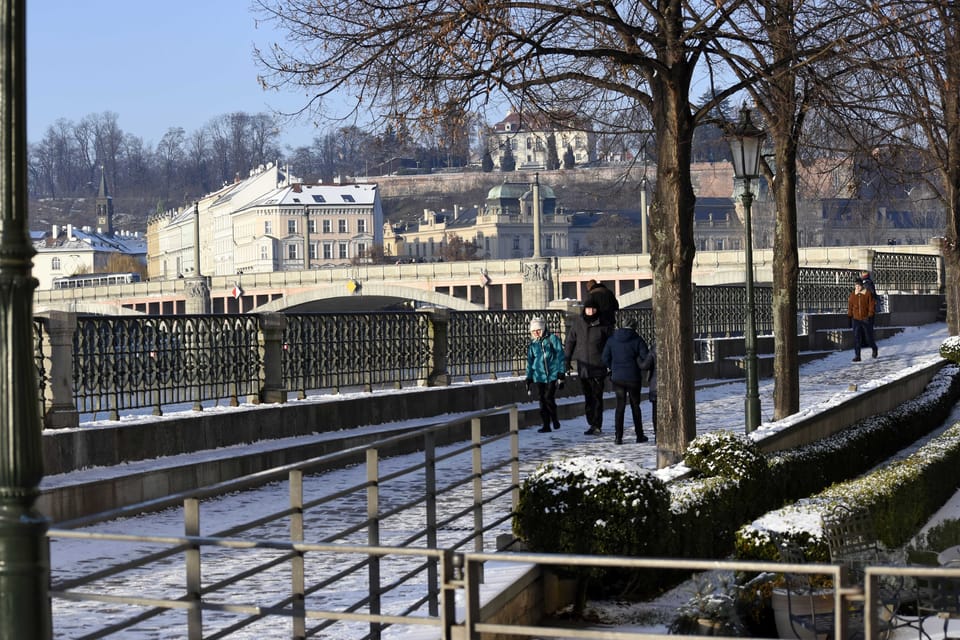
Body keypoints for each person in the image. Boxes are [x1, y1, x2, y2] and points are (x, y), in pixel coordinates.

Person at [564, 300, 614, 435]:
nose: (590, 312)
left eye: (593, 309)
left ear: (597, 311)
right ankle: (591, 422)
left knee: (597, 397)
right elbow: (570, 342)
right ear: (584, 310)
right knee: (588, 397)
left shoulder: (604, 325)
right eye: (588, 309)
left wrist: (610, 363)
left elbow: (611, 345)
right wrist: (567, 359)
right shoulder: (578, 324)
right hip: (584, 367)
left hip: (599, 367)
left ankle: (597, 424)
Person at [601, 319, 650, 444]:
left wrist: (613, 367)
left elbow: (604, 357)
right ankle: (639, 435)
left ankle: (618, 437)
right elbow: (645, 357)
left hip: (618, 378)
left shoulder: (612, 339)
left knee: (620, 407)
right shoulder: (637, 339)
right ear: (634, 327)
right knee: (635, 406)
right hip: (633, 378)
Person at [525, 317, 566, 433]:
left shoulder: (552, 339)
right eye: (533, 331)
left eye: (538, 330)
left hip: (552, 374)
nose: (536, 333)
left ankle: (554, 418)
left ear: (542, 329)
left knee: (549, 397)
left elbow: (560, 356)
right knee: (542, 400)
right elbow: (530, 362)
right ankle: (546, 425)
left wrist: (561, 373)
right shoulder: (533, 344)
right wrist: (528, 378)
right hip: (539, 376)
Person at [848, 279, 877, 362]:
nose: (857, 287)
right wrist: (849, 317)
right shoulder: (853, 295)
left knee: (868, 337)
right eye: (856, 286)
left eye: (859, 286)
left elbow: (871, 306)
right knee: (857, 338)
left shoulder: (867, 294)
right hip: (856, 319)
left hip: (866, 319)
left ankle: (874, 348)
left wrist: (870, 315)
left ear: (862, 286)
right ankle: (857, 356)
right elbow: (850, 307)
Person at [859, 270, 879, 356]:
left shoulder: (867, 284)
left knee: (867, 329)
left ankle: (873, 347)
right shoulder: (865, 283)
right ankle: (865, 343)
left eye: (861, 274)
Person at [639, 345, 657, 439]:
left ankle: (657, 433)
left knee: (656, 411)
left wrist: (637, 358)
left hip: (655, 385)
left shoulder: (655, 348)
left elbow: (644, 366)